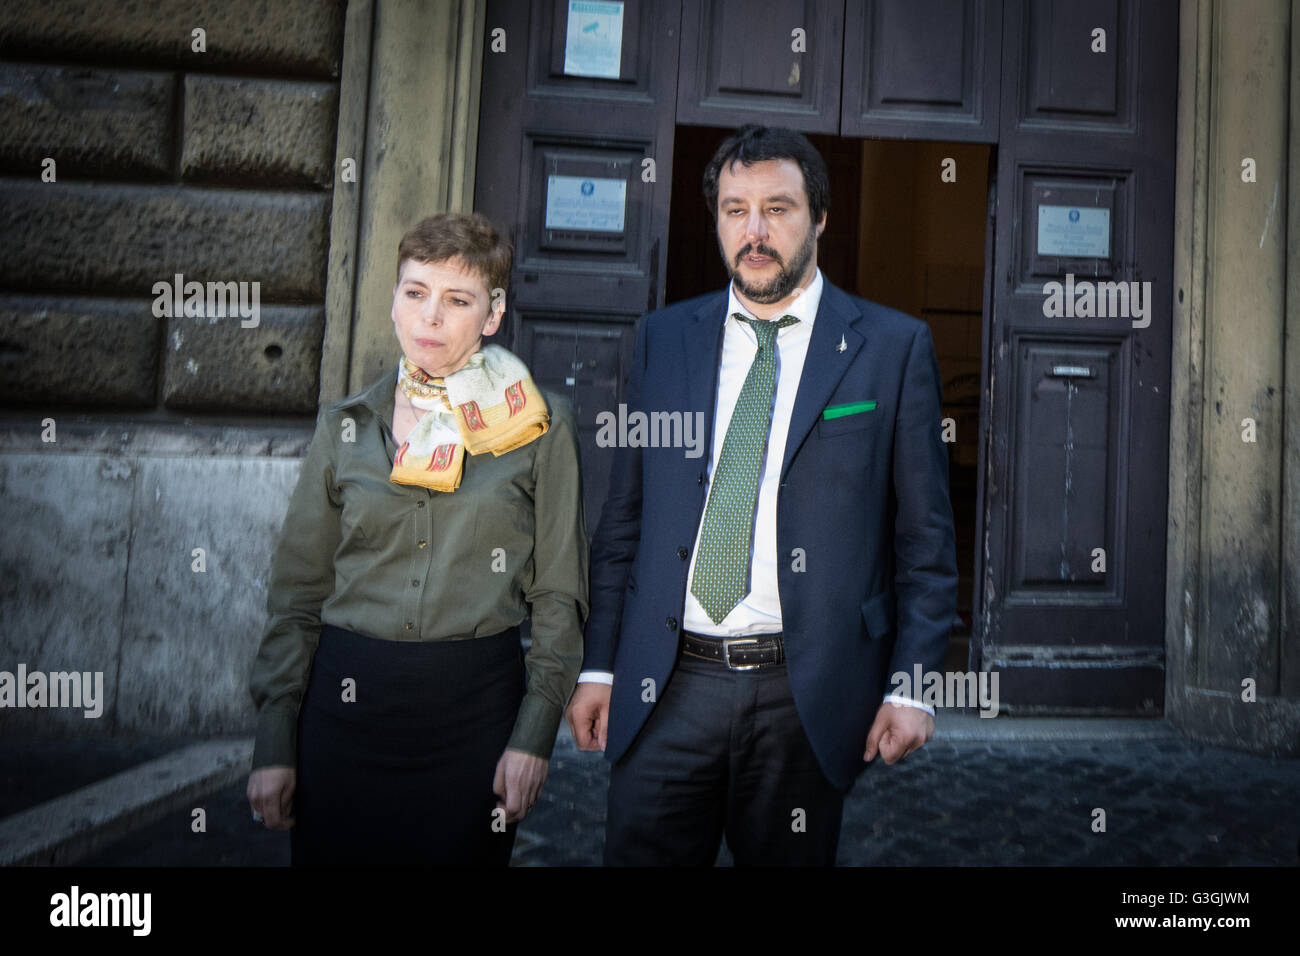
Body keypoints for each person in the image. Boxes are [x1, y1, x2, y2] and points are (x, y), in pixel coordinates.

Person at [565, 125, 958, 866]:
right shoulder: (662, 339)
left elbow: (926, 545)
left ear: (819, 218)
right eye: (733, 209)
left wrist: (911, 686)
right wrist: (600, 666)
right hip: (667, 687)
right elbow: (623, 524)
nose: (754, 231)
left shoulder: (891, 347)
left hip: (805, 697)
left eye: (777, 209)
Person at [246, 212, 588, 866]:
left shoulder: (543, 427)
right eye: (415, 293)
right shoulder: (344, 426)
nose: (431, 316)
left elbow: (559, 594)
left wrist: (535, 733)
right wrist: (274, 742)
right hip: (343, 713)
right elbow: (296, 596)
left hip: (474, 718)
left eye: (457, 300)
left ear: (492, 315)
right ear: (396, 302)